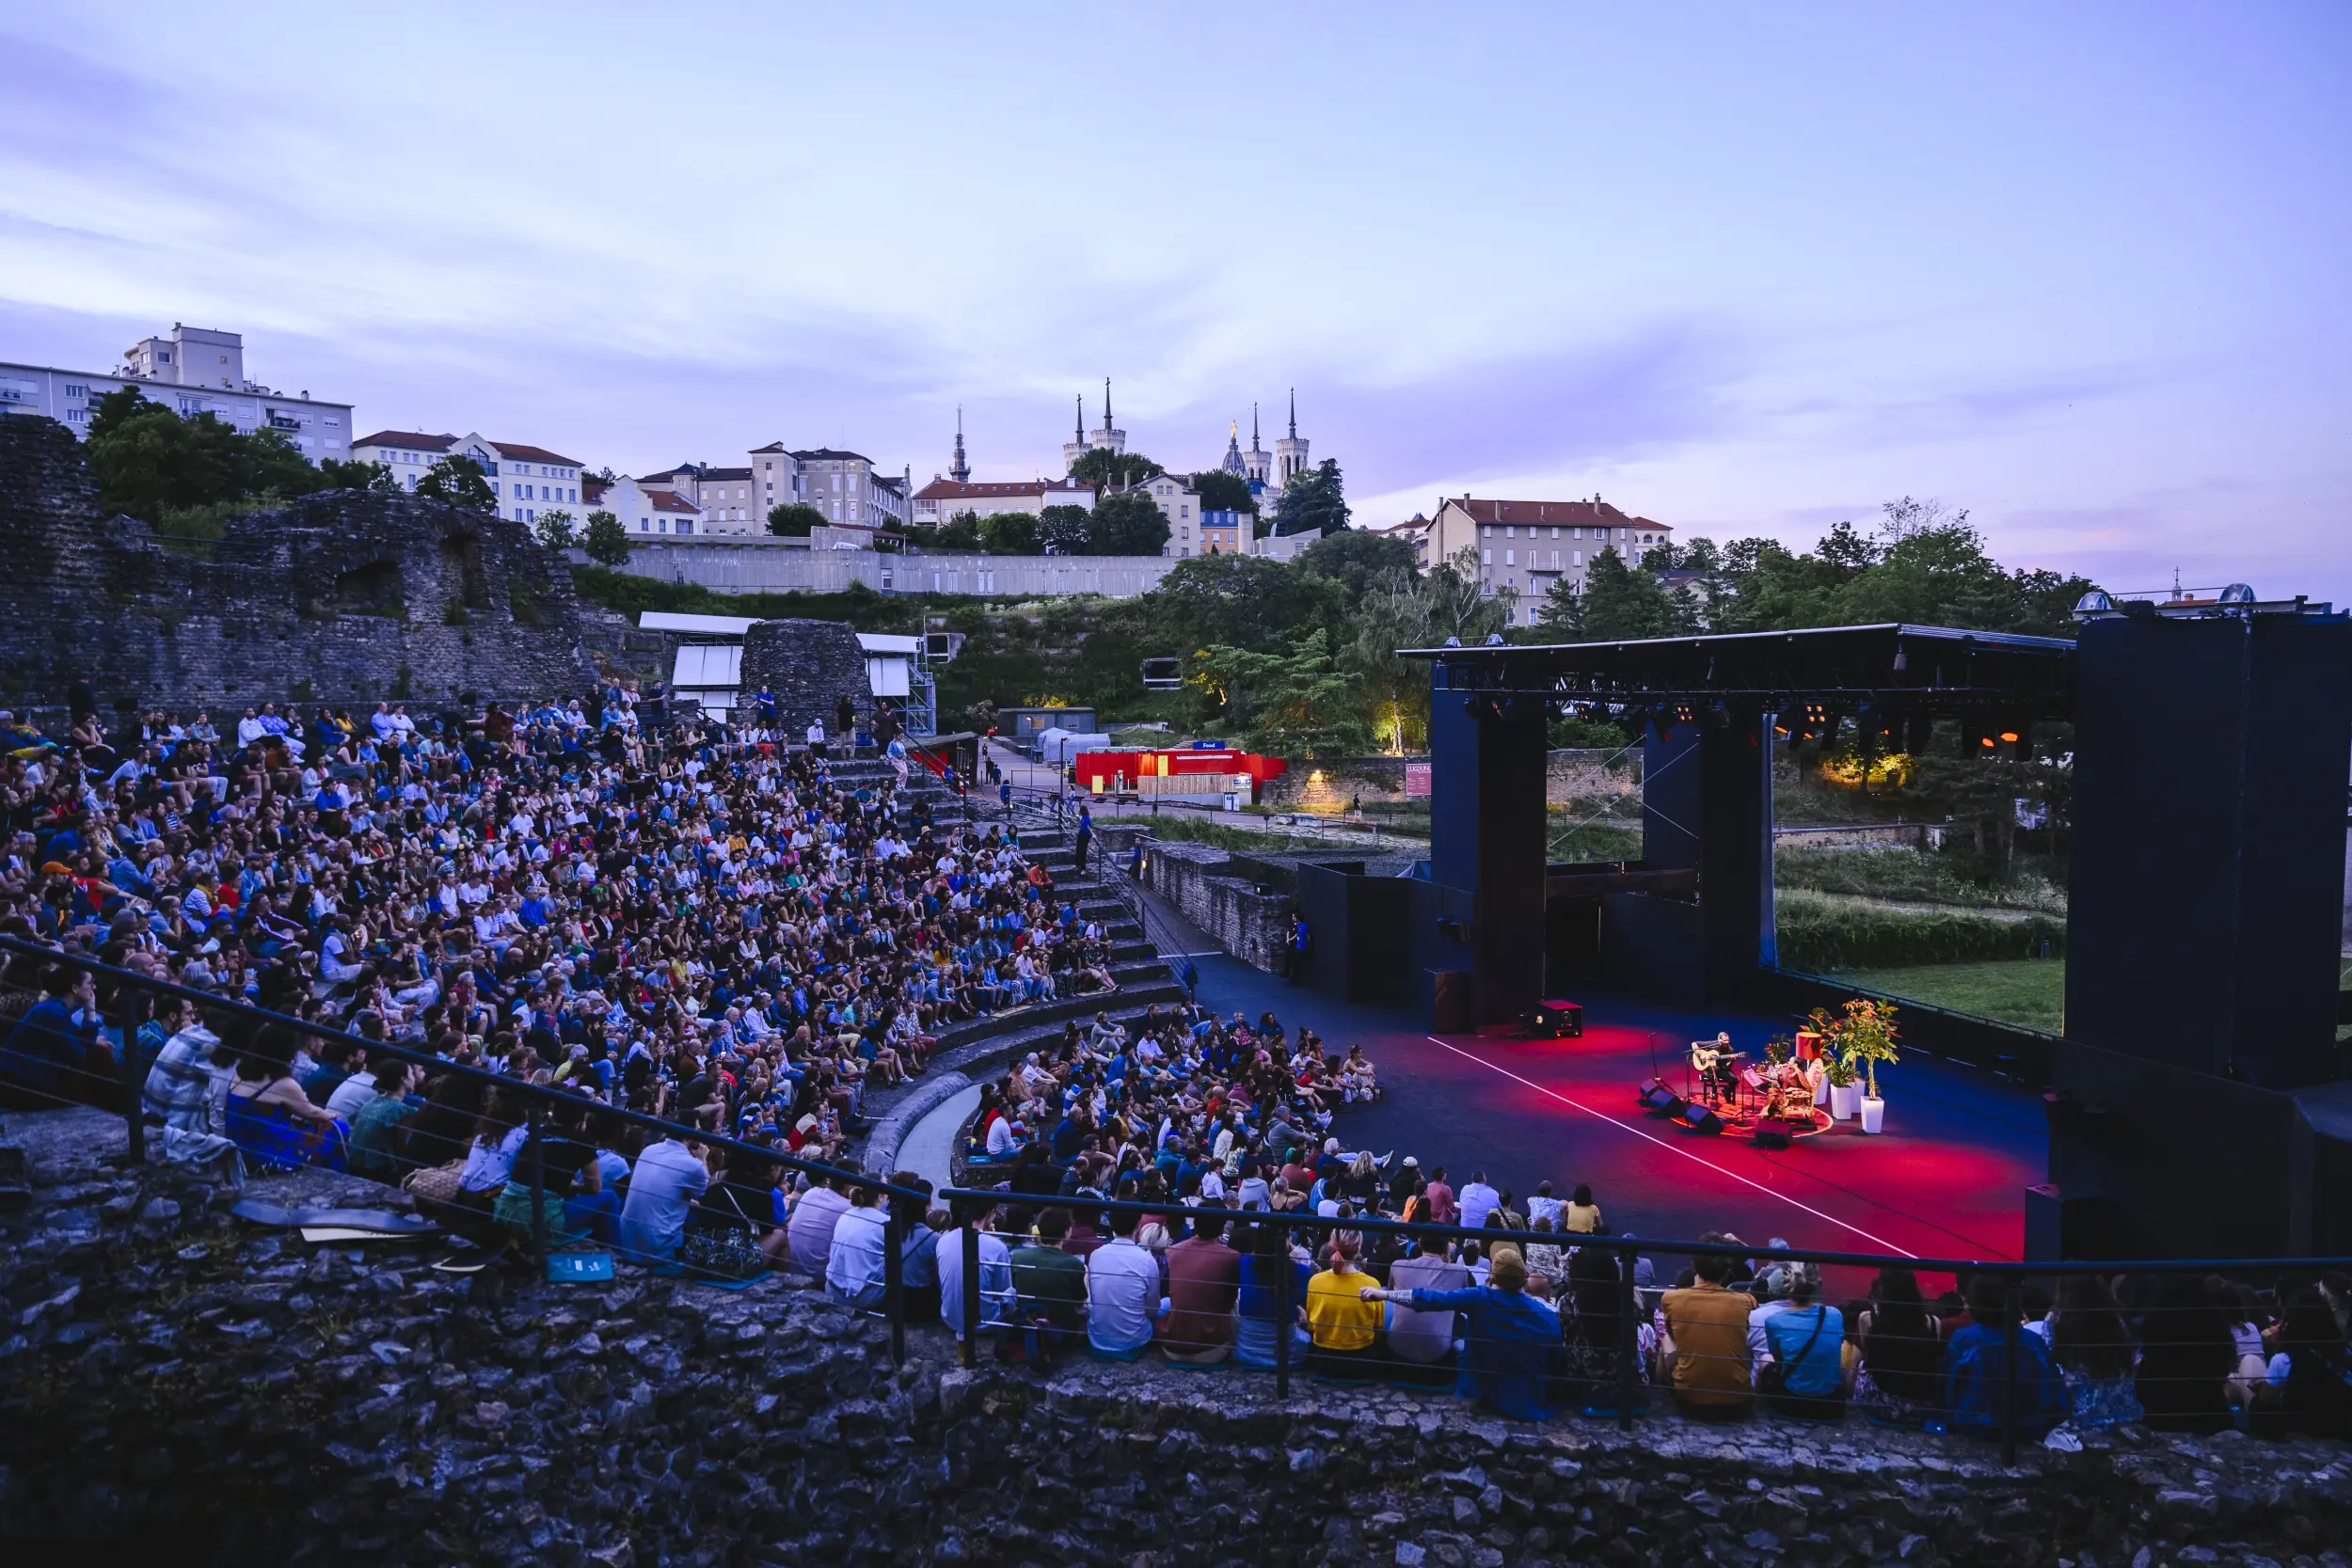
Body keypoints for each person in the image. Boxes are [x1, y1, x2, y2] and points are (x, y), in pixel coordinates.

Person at [1363, 1243, 1561, 1418]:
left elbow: (1430, 1298)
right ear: (1525, 1277)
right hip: (1530, 1404)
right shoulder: (1549, 1317)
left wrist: (1383, 1294)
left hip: (1483, 1393)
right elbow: (1555, 1362)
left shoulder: (1481, 1297)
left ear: (1492, 1275)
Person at [1942, 1275, 2064, 1439]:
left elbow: (1946, 1391)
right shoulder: (2034, 1342)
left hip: (1974, 1428)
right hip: (2026, 1430)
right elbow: (2059, 1398)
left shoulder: (1963, 1339)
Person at [2246, 1284, 2352, 1439]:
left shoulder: (2284, 1361)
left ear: (2291, 1320)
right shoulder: (2346, 1356)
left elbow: (2267, 1402)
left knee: (2255, 1401)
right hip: (2340, 1431)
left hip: (2295, 1434)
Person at [1660, 1247, 1756, 1418]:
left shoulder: (1671, 1298)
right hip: (1737, 1401)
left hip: (1690, 1400)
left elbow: (1675, 1336)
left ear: (1694, 1267)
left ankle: (1659, 1390)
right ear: (1726, 1271)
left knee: (1667, 1339)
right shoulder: (1744, 1301)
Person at [2047, 1273, 2145, 1429]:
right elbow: (2133, 1361)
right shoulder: (2114, 1320)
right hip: (2125, 1418)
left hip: (2080, 1422)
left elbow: (2048, 1368)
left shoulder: (2055, 1321)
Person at [1852, 1268, 1942, 1427]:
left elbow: (1868, 1355)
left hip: (1882, 1402)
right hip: (1920, 1406)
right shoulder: (1934, 1323)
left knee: (1859, 1363)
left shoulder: (1868, 1319)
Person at [1157, 1202, 1241, 1365]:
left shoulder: (1173, 1251)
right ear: (1222, 1227)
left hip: (1172, 1346)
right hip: (1210, 1350)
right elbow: (1229, 1301)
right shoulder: (1231, 1257)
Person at [1758, 1263, 1846, 1418]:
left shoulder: (1774, 1321)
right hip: (1831, 1405)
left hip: (1792, 1403)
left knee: (1765, 1359)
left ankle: (1758, 1405)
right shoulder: (1835, 1314)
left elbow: (1778, 1358)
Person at [1009, 1207, 1089, 1366]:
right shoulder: (1073, 1263)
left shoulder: (1018, 1257)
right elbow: (1080, 1303)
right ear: (1067, 1232)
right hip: (1063, 1333)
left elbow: (1016, 1288)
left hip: (1028, 1325)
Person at [616, 1131, 710, 1264]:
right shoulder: (694, 1165)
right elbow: (709, 1195)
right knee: (697, 1215)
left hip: (626, 1238)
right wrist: (703, 1159)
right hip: (657, 1246)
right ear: (689, 1137)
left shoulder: (649, 1150)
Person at [1304, 1232, 1384, 1378]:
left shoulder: (1315, 1281)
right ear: (1358, 1249)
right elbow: (1378, 1329)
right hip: (1361, 1360)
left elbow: (1310, 1324)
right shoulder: (1373, 1284)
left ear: (1332, 1245)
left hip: (1322, 1360)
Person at [1083, 1207, 1160, 1358]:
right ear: (1138, 1225)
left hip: (1097, 1337)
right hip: (1134, 1340)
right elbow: (1153, 1309)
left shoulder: (1096, 1255)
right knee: (1165, 1304)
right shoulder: (1147, 1260)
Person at [937, 1196, 1015, 1343]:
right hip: (984, 1323)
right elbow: (1002, 1290)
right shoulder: (997, 1247)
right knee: (1012, 1292)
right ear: (990, 1213)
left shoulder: (943, 1240)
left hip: (950, 1319)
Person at [825, 1183, 891, 1307]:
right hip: (862, 1298)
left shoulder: (846, 1214)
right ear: (880, 1197)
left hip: (832, 1291)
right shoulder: (885, 1222)